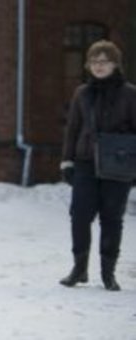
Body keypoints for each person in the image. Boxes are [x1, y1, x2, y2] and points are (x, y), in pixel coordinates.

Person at [59, 40, 136, 291]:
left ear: (115, 64)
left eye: (104, 61)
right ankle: (79, 268)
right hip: (85, 163)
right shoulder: (82, 93)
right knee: (79, 216)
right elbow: (72, 129)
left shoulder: (130, 94)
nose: (99, 66)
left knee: (112, 219)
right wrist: (67, 161)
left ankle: (108, 273)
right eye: (94, 61)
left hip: (118, 166)